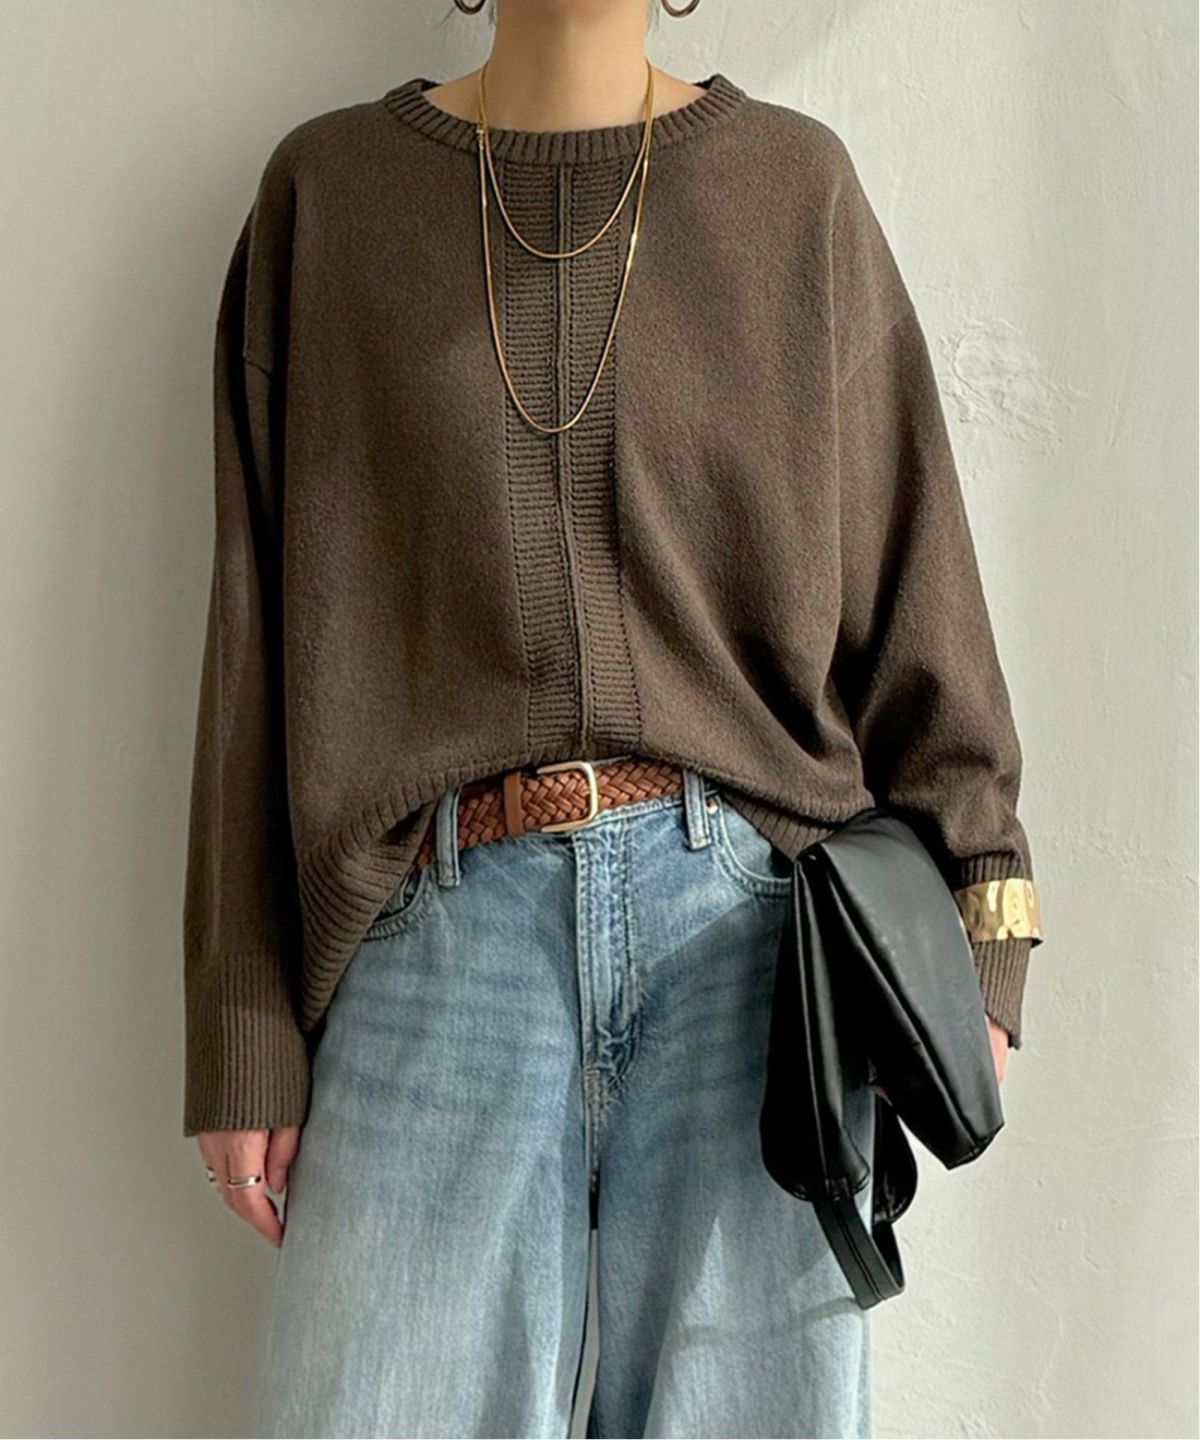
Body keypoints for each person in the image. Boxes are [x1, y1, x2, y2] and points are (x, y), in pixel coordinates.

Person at [182, 1, 1045, 1435]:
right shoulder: (328, 199)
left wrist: (983, 917)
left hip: (756, 958)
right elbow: (255, 646)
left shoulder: (794, 191)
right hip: (429, 943)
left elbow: (917, 587)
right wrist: (241, 1019)